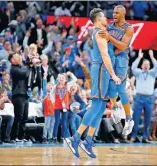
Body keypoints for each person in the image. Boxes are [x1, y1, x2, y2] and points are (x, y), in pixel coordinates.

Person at [65, 8, 121, 158]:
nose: (106, 18)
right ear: (98, 19)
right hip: (102, 70)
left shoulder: (103, 31)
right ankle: (75, 138)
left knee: (101, 107)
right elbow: (105, 56)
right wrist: (113, 75)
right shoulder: (99, 33)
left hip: (103, 71)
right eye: (103, 16)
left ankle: (88, 140)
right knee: (96, 105)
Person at [98, 5, 134, 135]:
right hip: (111, 58)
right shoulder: (110, 26)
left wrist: (109, 38)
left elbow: (123, 46)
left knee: (119, 87)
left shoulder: (128, 28)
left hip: (122, 60)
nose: (114, 15)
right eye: (113, 12)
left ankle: (129, 119)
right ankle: (115, 109)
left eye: (117, 13)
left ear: (123, 14)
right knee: (111, 89)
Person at [130, 49, 157, 143]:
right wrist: (139, 57)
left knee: (148, 119)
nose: (146, 65)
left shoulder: (152, 73)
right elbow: (133, 67)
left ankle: (145, 137)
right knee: (136, 118)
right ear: (142, 66)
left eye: (148, 64)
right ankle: (133, 136)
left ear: (149, 66)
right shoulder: (138, 73)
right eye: (144, 64)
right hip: (139, 97)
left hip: (149, 98)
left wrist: (152, 57)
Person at [8, 53, 30, 142]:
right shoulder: (13, 69)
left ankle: (21, 136)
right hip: (18, 94)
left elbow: (28, 74)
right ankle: (14, 136)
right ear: (12, 60)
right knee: (18, 116)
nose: (19, 57)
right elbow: (24, 73)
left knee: (25, 117)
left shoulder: (22, 67)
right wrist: (29, 64)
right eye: (16, 56)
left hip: (24, 94)